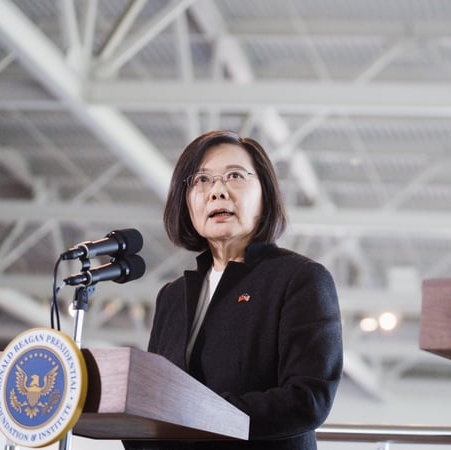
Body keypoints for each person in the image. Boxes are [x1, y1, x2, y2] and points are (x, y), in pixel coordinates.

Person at [124, 129, 343, 449]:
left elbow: (308, 399)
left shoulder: (301, 279)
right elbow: (156, 397)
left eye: (234, 176)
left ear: (265, 194)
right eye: (201, 180)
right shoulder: (172, 296)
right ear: (185, 201)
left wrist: (195, 415)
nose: (217, 191)